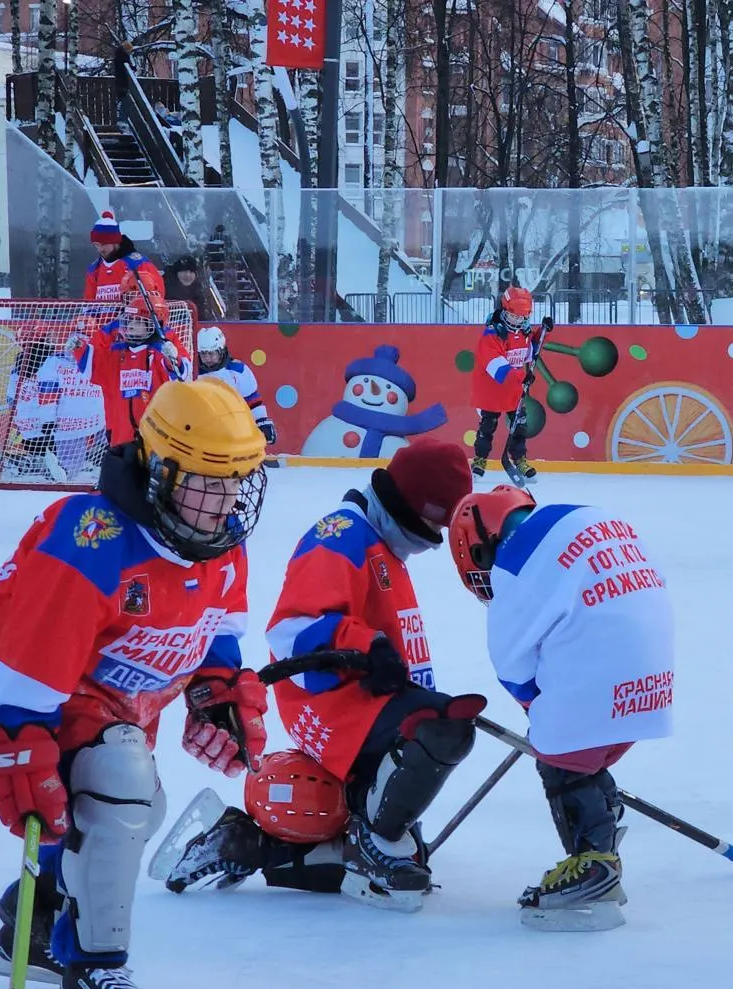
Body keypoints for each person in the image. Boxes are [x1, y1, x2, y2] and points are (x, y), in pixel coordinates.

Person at [0, 379, 271, 989]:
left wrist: (217, 688)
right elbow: (25, 672)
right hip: (63, 688)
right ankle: (94, 973)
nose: (226, 501)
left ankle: (32, 914)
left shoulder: (218, 536)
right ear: (161, 469)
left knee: (132, 807)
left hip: (131, 697)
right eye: (207, 483)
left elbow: (219, 624)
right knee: (117, 790)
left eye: (238, 482)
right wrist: (22, 742)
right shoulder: (90, 540)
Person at [157, 439, 481, 914]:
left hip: (370, 700)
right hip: (334, 704)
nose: (433, 535)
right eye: (434, 520)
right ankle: (375, 841)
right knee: (441, 729)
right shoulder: (342, 536)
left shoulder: (384, 543)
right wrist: (365, 646)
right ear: (409, 504)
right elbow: (291, 633)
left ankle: (252, 844)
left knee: (413, 797)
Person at [448, 486, 675, 930]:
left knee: (560, 755)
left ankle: (594, 868)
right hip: (653, 679)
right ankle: (601, 818)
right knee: (584, 754)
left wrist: (542, 715)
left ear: (484, 542)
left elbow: (513, 667)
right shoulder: (588, 514)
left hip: (599, 682)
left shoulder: (513, 565)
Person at [469, 285, 551, 487]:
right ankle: (480, 460)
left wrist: (543, 332)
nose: (517, 321)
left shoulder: (523, 331)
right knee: (488, 426)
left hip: (515, 390)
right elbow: (495, 364)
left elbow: (531, 348)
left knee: (519, 427)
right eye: (514, 316)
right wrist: (519, 378)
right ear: (504, 311)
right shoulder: (492, 335)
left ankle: (520, 460)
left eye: (522, 317)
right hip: (493, 390)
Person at [81, 297, 180, 447]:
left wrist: (173, 360)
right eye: (129, 320)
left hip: (156, 437)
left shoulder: (160, 351)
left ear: (153, 325)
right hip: (121, 437)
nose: (131, 325)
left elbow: (180, 378)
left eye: (138, 321)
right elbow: (95, 367)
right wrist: (79, 349)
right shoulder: (116, 352)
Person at [194, 327, 276, 449]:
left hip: (233, 429)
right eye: (203, 354)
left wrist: (262, 422)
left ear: (221, 351)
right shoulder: (192, 373)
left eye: (211, 353)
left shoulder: (238, 371)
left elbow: (252, 401)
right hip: (201, 430)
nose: (207, 358)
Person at [82, 210, 165, 312]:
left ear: (116, 242)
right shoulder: (94, 270)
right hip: (101, 326)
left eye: (104, 244)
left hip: (131, 325)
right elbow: (89, 306)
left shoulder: (138, 264)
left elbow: (156, 299)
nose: (100, 249)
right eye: (97, 245)